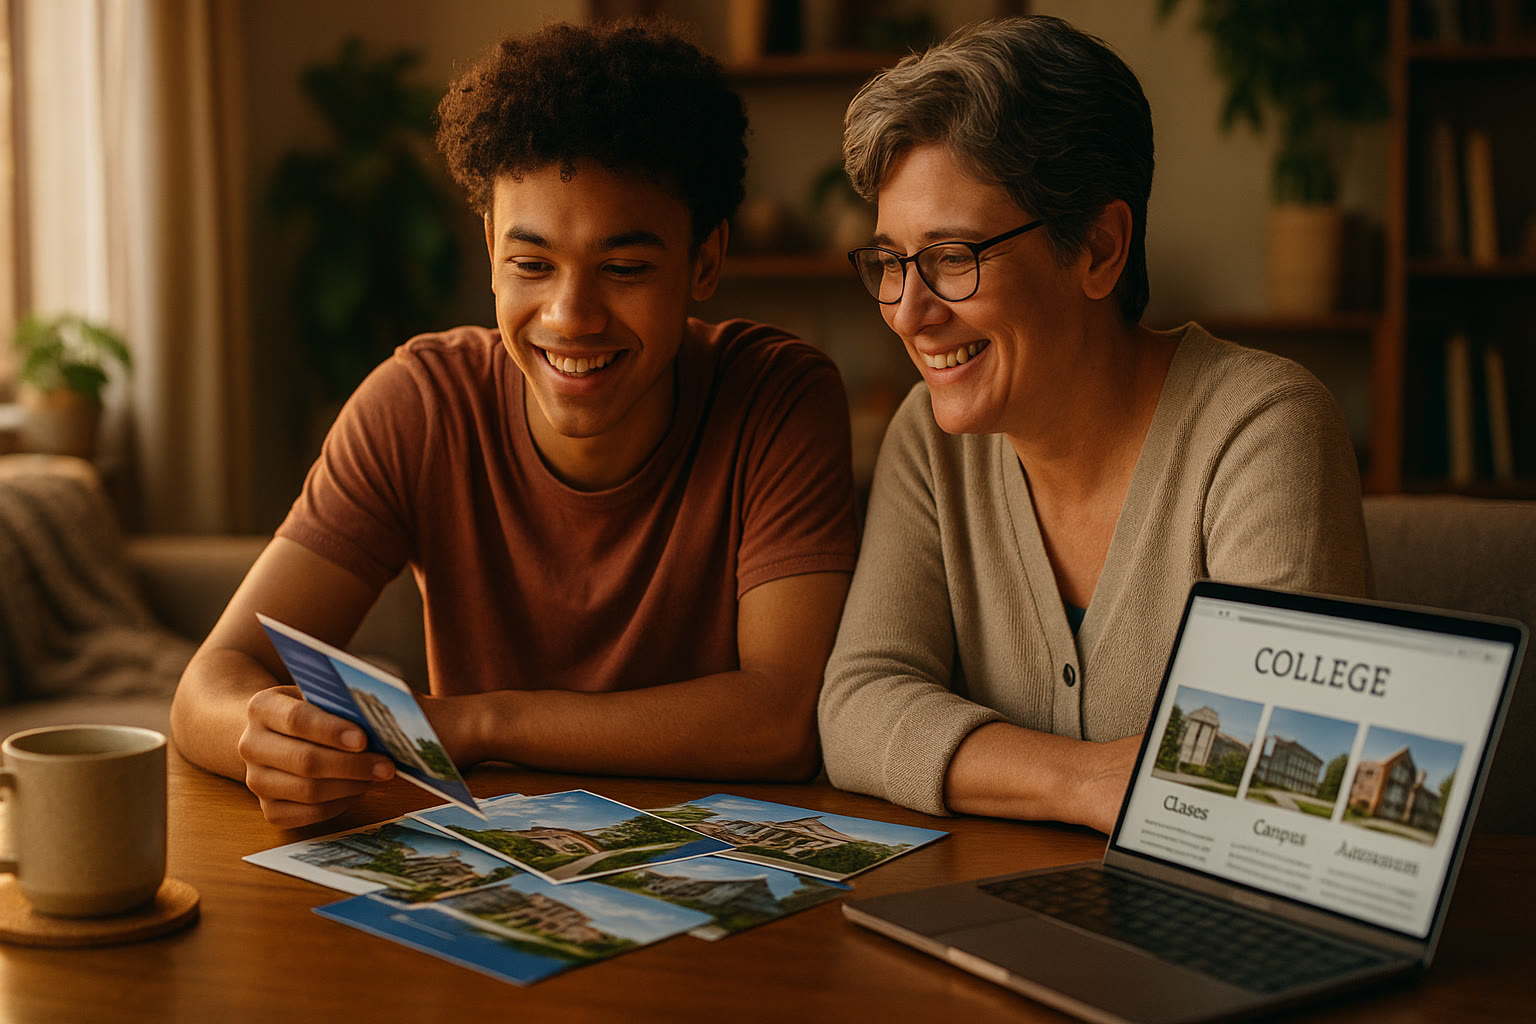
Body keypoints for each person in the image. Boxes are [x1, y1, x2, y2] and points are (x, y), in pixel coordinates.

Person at [172, 21, 859, 828]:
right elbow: (212, 681)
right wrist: (266, 732)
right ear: (492, 245)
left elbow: (779, 719)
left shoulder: (779, 398)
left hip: (718, 867)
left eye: (626, 268)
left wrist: (481, 721)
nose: (570, 318)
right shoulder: (420, 403)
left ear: (703, 262)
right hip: (490, 871)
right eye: (531, 264)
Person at [817, 16, 1371, 834]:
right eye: (891, 262)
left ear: (1100, 249)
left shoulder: (1261, 430)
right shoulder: (929, 440)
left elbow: (1280, 769)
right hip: (993, 922)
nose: (907, 312)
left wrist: (988, 764)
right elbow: (858, 708)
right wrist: (1080, 781)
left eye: (952, 257)